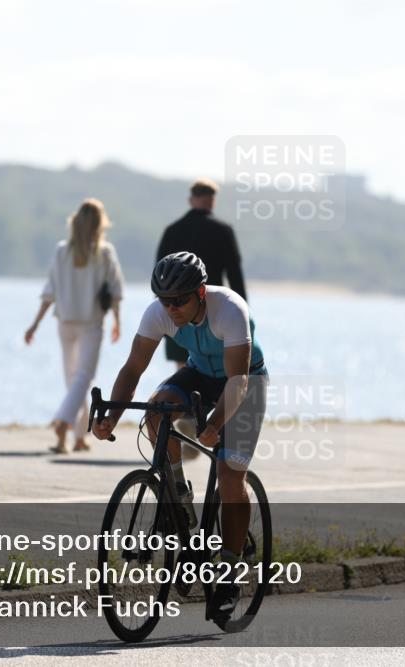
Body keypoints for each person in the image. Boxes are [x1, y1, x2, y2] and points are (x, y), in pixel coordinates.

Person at [91, 252, 267, 622]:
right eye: (164, 301)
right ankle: (180, 507)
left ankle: (229, 574)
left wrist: (214, 424)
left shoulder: (230, 309)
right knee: (157, 413)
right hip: (199, 374)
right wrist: (111, 417)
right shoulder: (157, 313)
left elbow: (237, 382)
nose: (171, 309)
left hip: (244, 381)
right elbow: (133, 368)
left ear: (200, 293)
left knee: (229, 476)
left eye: (179, 301)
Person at [157, 178, 248, 458]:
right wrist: (243, 311)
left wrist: (166, 309)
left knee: (187, 367)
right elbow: (234, 273)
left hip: (176, 310)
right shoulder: (222, 230)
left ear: (191, 199)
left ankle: (189, 416)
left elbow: (160, 272)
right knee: (219, 368)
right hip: (215, 311)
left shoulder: (173, 230)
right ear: (212, 200)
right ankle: (203, 422)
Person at [25, 198, 124, 454]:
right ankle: (64, 422)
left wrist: (35, 324)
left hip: (65, 322)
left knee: (74, 382)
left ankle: (78, 437)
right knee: (82, 379)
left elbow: (49, 292)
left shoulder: (61, 251)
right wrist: (117, 320)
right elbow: (115, 291)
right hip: (91, 323)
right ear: (100, 224)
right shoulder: (105, 253)